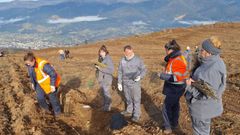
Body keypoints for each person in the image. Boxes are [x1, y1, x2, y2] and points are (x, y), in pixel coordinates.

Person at [185, 37, 227, 135]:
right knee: (203, 130)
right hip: (206, 109)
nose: (200, 51)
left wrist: (189, 85)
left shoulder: (212, 71)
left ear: (209, 52)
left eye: (202, 50)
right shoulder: (216, 61)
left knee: (200, 131)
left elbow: (206, 95)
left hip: (202, 109)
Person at [158, 40, 188, 134]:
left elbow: (176, 77)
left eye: (166, 50)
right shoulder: (176, 57)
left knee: (166, 107)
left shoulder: (177, 59)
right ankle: (174, 123)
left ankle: (168, 127)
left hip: (175, 87)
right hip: (175, 87)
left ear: (171, 49)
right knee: (175, 105)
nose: (165, 52)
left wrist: (162, 75)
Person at [117, 45, 147, 122]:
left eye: (131, 53)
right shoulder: (122, 60)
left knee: (136, 99)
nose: (129, 55)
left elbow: (144, 70)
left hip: (135, 83)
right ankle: (129, 110)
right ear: (124, 52)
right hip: (125, 83)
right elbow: (120, 71)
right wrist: (119, 83)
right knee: (128, 97)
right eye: (127, 53)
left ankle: (136, 115)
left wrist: (140, 77)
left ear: (132, 51)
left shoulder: (138, 60)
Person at [95, 45, 114, 112]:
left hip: (107, 79)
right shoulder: (101, 59)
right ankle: (105, 106)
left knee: (106, 93)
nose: (101, 53)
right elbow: (101, 68)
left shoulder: (108, 59)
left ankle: (108, 107)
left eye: (103, 52)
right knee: (104, 93)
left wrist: (100, 68)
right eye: (100, 52)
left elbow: (111, 70)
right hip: (102, 79)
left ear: (106, 52)